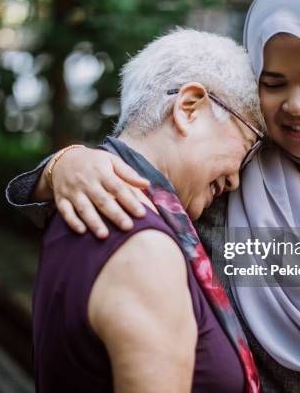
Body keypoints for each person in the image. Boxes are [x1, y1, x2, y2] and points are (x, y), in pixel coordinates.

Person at [7, 0, 300, 392]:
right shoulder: (228, 190)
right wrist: (64, 165)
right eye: (273, 83)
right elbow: (122, 203)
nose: (297, 103)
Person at [29, 29, 263, 393]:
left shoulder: (88, 201)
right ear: (189, 108)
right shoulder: (144, 245)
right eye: (248, 145)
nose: (236, 178)